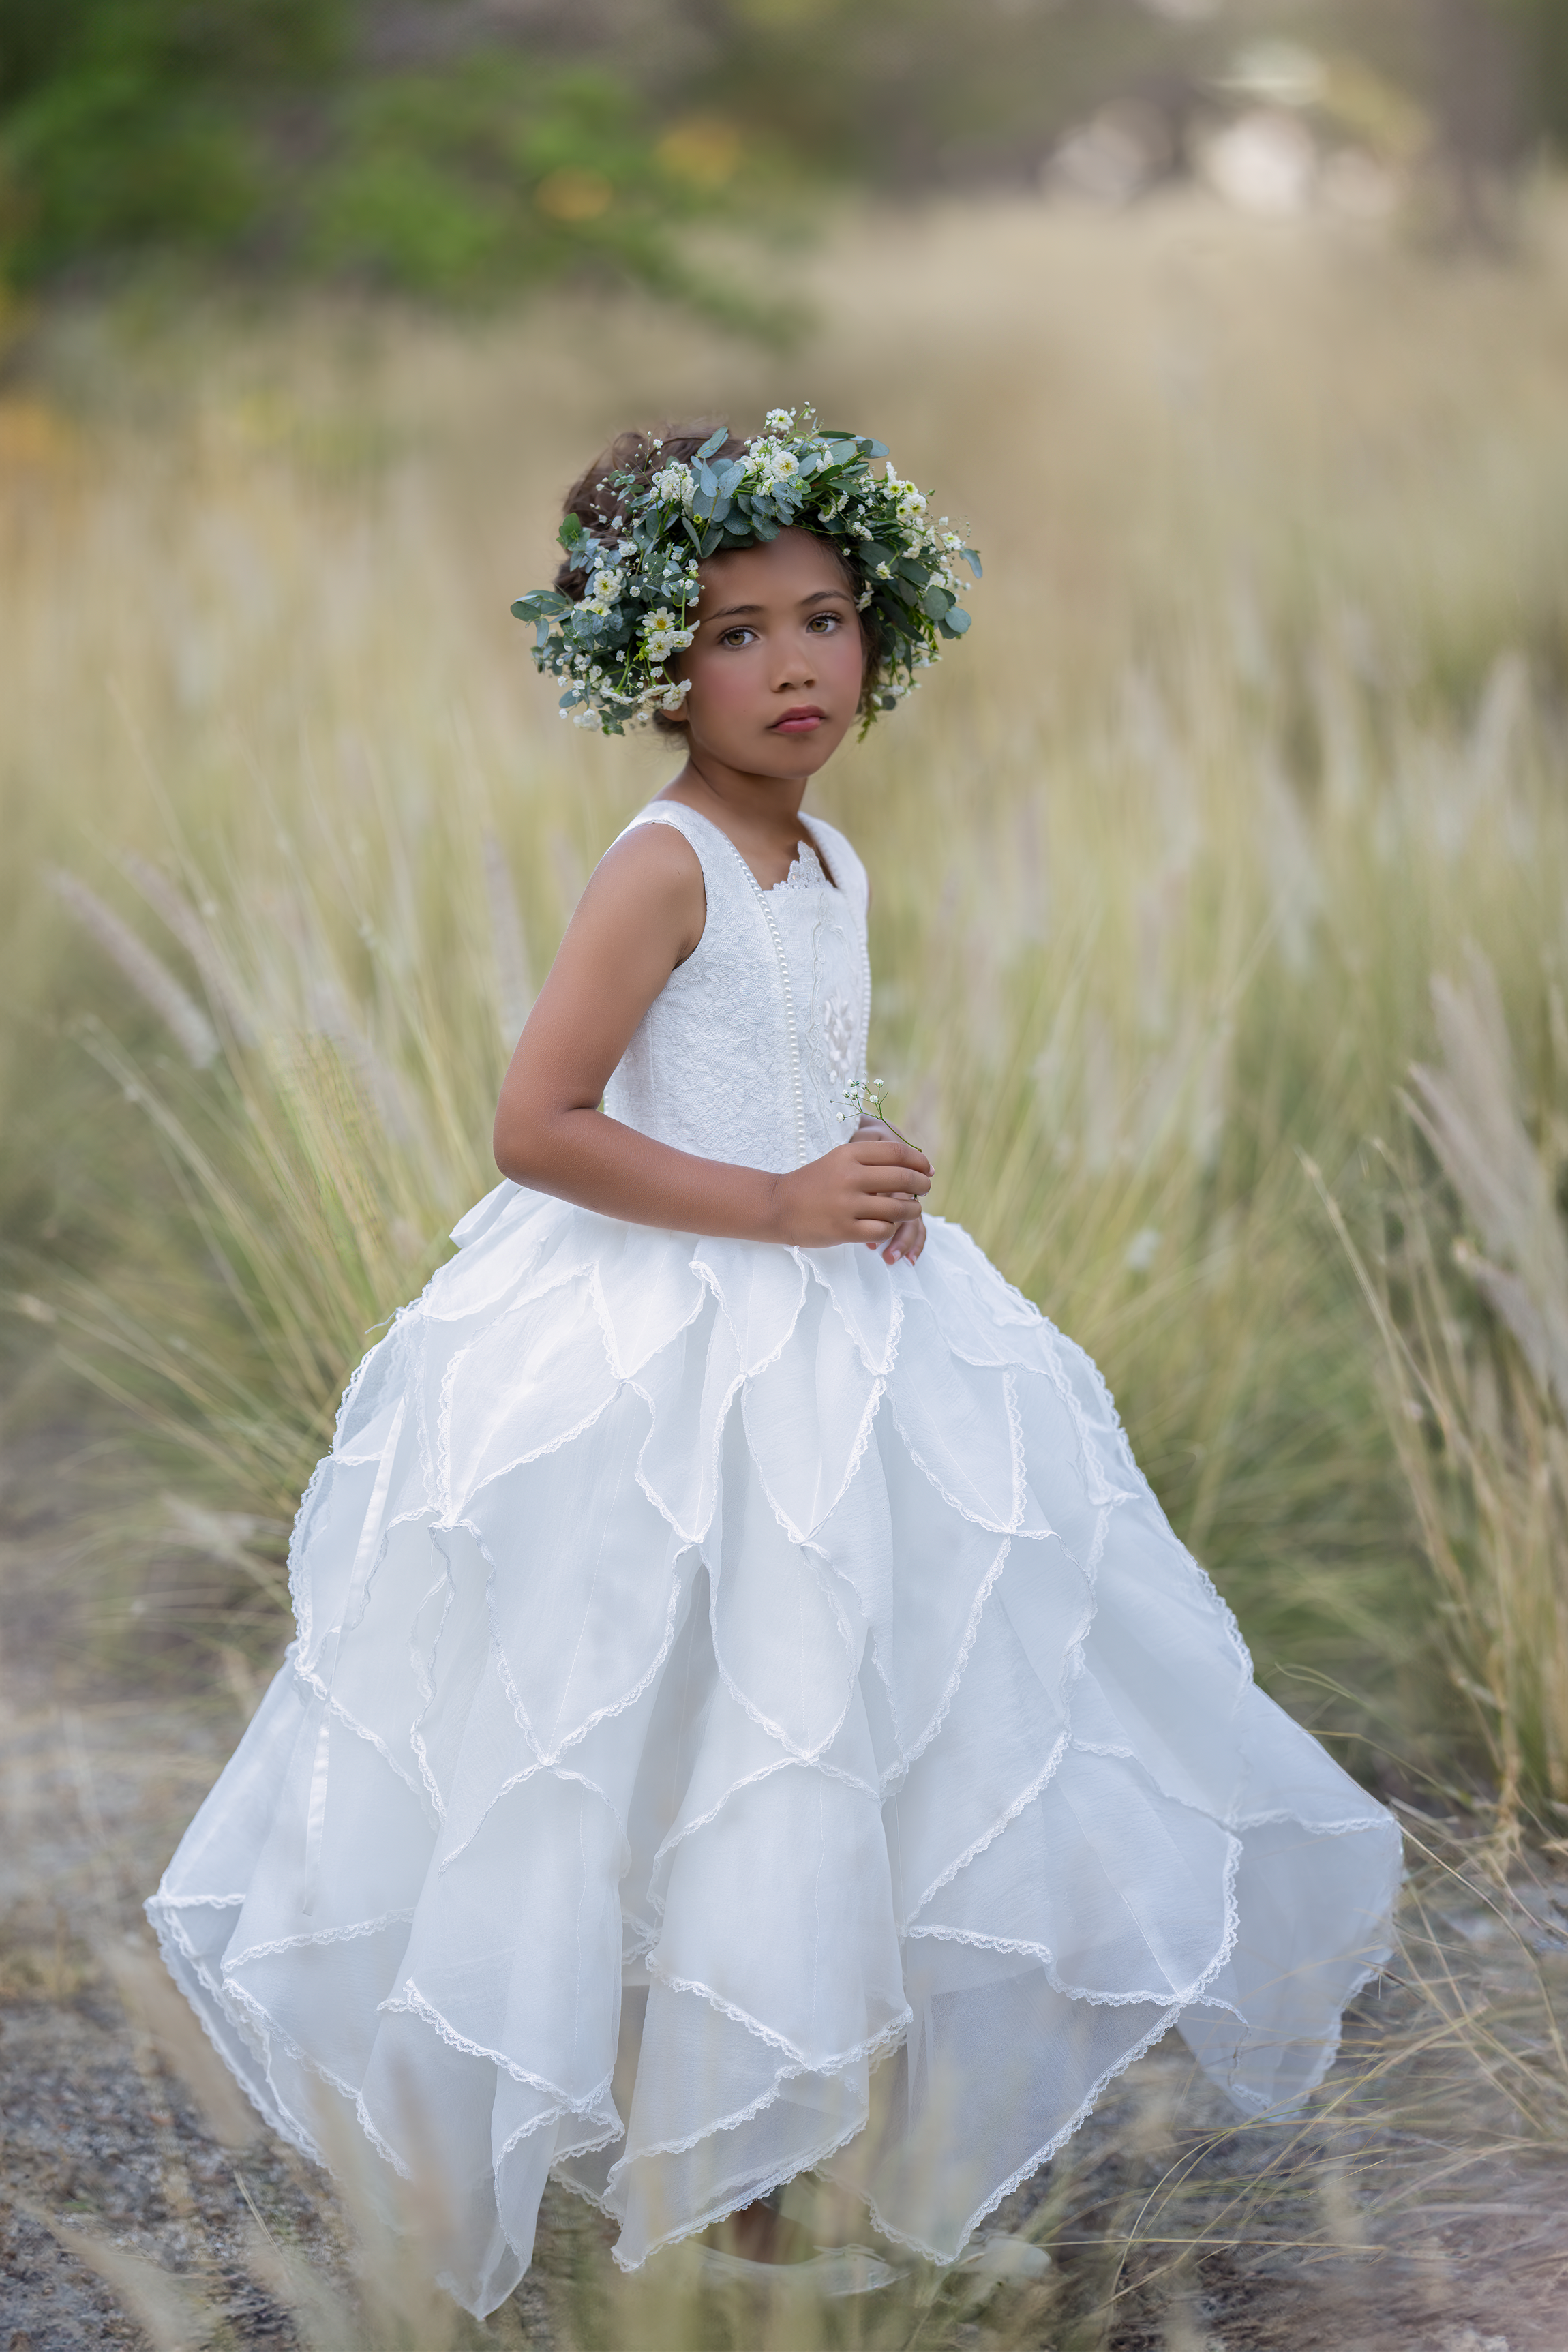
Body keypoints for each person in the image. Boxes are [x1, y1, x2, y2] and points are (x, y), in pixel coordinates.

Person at [147, 410, 1401, 2319]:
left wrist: (861, 1188)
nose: (797, 662)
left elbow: (795, 1082)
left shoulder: (824, 865)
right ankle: (719, 2209)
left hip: (836, 1335)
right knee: (688, 1744)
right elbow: (538, 1122)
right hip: (661, 1351)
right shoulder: (661, 863)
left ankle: (807, 2175)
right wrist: (775, 1198)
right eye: (738, 630)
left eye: (825, 617)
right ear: (653, 661)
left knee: (839, 1740)